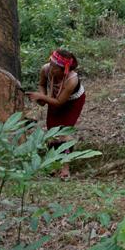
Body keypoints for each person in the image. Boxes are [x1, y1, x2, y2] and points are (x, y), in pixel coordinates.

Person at [26, 49, 86, 180]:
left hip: (72, 102)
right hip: (54, 97)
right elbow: (42, 84)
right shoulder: (46, 69)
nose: (52, 69)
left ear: (64, 69)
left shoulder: (72, 79)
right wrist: (42, 96)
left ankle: (65, 167)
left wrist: (42, 97)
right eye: (51, 64)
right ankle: (53, 163)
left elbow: (59, 103)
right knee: (52, 132)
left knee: (64, 132)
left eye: (56, 68)